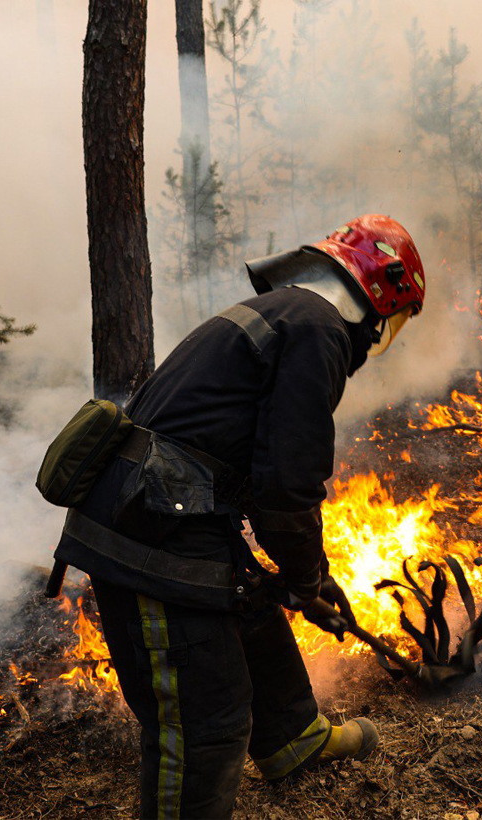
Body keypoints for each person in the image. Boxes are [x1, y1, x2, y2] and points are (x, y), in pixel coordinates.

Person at [51, 215, 426, 819]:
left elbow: (244, 462)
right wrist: (306, 577)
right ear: (380, 296)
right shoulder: (320, 332)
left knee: (251, 603)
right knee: (207, 721)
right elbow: (287, 485)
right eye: (395, 317)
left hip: (164, 508)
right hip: (147, 535)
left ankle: (295, 740)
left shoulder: (290, 313)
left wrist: (312, 581)